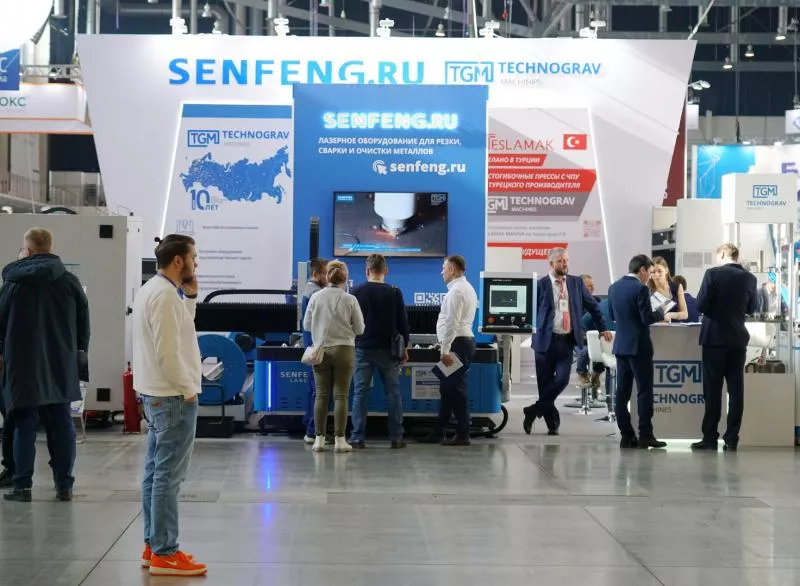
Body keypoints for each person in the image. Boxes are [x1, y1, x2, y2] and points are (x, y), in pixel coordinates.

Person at [133, 234, 207, 576]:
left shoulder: (156, 290)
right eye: (193, 257)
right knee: (168, 477)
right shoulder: (163, 296)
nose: (196, 263)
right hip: (172, 396)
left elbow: (179, 332)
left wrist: (190, 298)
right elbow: (167, 352)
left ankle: (154, 545)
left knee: (155, 473)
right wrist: (188, 389)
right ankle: (166, 553)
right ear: (179, 260)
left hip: (156, 394)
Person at [0, 227, 89, 503]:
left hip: (22, 364)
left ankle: (22, 487)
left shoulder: (13, 283)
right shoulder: (70, 282)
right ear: (50, 248)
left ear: (27, 250)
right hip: (61, 362)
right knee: (62, 423)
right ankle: (64, 485)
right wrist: (78, 354)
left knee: (24, 424)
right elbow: (83, 325)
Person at [523, 248, 611, 436]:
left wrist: (602, 328)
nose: (565, 264)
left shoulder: (576, 283)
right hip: (544, 343)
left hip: (566, 341)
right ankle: (552, 425)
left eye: (566, 260)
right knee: (545, 386)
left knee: (562, 380)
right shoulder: (540, 285)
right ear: (551, 263)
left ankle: (533, 410)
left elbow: (593, 306)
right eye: (561, 261)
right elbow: (529, 311)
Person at [691, 243, 758, 452]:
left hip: (714, 339)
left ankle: (710, 438)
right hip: (737, 339)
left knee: (712, 390)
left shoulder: (712, 274)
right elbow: (753, 308)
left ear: (722, 254)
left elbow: (700, 305)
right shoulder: (750, 278)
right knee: (736, 391)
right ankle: (731, 439)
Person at [303, 260, 365, 453]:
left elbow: (306, 325)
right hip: (344, 350)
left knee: (321, 395)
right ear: (345, 278)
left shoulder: (316, 297)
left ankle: (318, 440)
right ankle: (340, 440)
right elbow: (360, 329)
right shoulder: (350, 299)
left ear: (327, 275)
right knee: (341, 395)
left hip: (320, 350)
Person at [350, 254, 410, 449]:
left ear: (367, 270)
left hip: (362, 348)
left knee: (360, 393)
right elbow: (403, 323)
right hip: (388, 350)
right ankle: (396, 437)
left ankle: (357, 437)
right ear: (386, 271)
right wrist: (405, 347)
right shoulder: (394, 292)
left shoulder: (356, 291)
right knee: (393, 392)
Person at [607, 254, 668, 449]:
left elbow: (612, 315)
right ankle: (645, 435)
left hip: (621, 347)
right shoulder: (640, 289)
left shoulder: (613, 287)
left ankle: (626, 435)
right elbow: (646, 318)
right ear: (642, 270)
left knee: (622, 393)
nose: (650, 276)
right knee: (644, 392)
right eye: (649, 272)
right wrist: (661, 312)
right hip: (639, 347)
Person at [419, 255, 478, 446]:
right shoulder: (464, 288)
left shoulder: (457, 291)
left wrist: (445, 349)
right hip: (459, 343)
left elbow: (452, 323)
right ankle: (439, 432)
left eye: (444, 268)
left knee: (456, 389)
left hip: (458, 344)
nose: (441, 272)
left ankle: (463, 434)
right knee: (447, 389)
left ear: (452, 270)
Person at [301, 257, 328, 444]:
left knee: (314, 390)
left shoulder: (310, 290)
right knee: (319, 391)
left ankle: (309, 425)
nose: (329, 277)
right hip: (317, 348)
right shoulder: (316, 293)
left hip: (312, 347)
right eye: (326, 273)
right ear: (315, 274)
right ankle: (312, 431)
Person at [576, 274, 606, 390]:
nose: (592, 288)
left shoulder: (597, 302)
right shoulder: (573, 304)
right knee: (585, 351)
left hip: (596, 338)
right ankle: (582, 373)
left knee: (602, 349)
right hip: (579, 339)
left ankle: (596, 374)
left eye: (592, 285)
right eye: (589, 286)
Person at [648, 257, 688, 322]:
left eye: (659, 271)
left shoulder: (677, 287)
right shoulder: (647, 291)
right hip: (655, 327)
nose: (656, 275)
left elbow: (685, 314)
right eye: (653, 272)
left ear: (666, 270)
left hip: (675, 327)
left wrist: (670, 315)